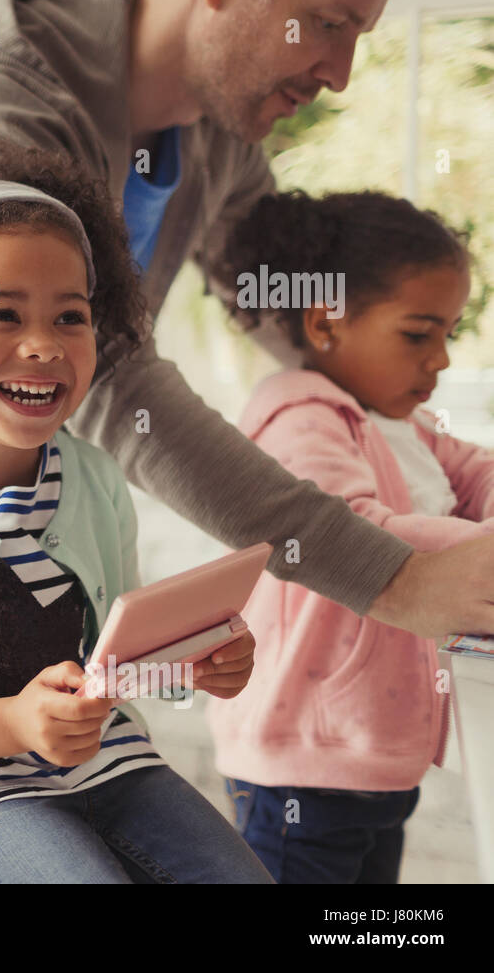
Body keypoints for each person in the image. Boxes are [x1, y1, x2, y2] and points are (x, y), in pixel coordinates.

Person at [0, 0, 494, 885]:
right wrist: (389, 573)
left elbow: (287, 311)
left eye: (360, 34)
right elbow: (115, 386)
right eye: (326, 24)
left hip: (27, 536)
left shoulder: (217, 131)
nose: (340, 72)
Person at [0, 135, 271, 882]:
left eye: (70, 316)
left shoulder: (93, 480)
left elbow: (109, 664)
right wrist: (8, 722)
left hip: (107, 767)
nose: (43, 345)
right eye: (2, 317)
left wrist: (192, 661)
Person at [205, 190, 494, 883]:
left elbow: (476, 472)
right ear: (325, 322)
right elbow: (360, 529)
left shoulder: (398, 424)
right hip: (303, 764)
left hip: (378, 754)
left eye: (450, 333)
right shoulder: (300, 415)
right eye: (419, 334)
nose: (443, 360)